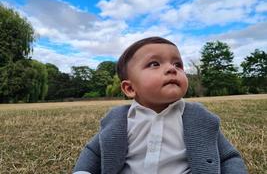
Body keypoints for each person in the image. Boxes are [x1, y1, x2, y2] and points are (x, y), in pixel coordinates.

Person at [73, 37, 247, 174]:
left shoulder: (199, 118)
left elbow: (228, 157)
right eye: (154, 64)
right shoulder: (118, 120)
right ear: (130, 88)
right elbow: (94, 152)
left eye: (177, 64)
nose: (172, 69)